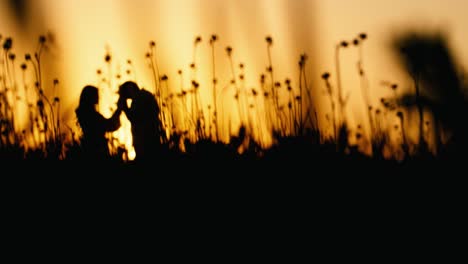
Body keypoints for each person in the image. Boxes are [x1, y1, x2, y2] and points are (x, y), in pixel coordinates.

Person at [117, 81, 164, 162]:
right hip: (152, 136)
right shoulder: (145, 95)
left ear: (130, 89)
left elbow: (134, 118)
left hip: (144, 141)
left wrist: (124, 107)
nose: (124, 96)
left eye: (124, 92)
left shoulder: (139, 98)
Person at [75, 85, 122, 160]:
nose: (98, 97)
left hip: (89, 147)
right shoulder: (92, 115)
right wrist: (119, 110)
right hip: (97, 149)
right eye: (95, 95)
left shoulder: (86, 113)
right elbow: (109, 125)